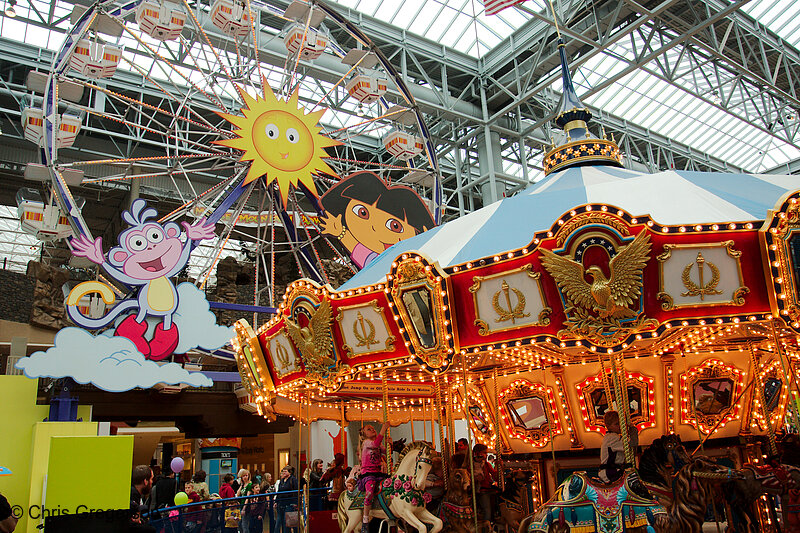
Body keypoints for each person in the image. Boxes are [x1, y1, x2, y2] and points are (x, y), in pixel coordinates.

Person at [319, 171, 436, 269]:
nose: (374, 228)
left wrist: (341, 234)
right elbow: (360, 252)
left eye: (395, 226)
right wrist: (341, 233)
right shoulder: (376, 260)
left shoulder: (413, 260)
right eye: (362, 213)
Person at [358, 423, 389, 533]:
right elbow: (375, 444)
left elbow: (386, 451)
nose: (372, 430)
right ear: (364, 434)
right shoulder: (366, 443)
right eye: (369, 429)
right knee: (370, 491)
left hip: (378, 472)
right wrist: (383, 430)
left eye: (373, 428)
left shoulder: (378, 444)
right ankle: (365, 520)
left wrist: (390, 445)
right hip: (368, 473)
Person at [599, 410, 639, 483]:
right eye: (617, 424)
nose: (620, 426)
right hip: (611, 472)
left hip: (614, 471)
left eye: (621, 423)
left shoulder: (611, 437)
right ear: (608, 426)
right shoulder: (612, 437)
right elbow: (632, 444)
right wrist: (633, 430)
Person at [472, 443, 496, 522]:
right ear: (478, 453)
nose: (486, 455)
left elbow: (494, 475)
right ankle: (487, 523)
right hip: (480, 490)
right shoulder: (472, 465)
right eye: (484, 453)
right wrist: (475, 479)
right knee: (487, 509)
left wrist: (499, 467)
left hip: (487, 488)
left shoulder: (486, 464)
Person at [130, 465, 156, 533]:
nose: (152, 482)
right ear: (145, 481)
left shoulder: (133, 494)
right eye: (151, 479)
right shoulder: (133, 496)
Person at [273, 466, 298, 533]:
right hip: (281, 503)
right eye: (283, 471)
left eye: (285, 471)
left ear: (290, 472)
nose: (283, 472)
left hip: (289, 503)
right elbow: (279, 491)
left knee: (286, 522)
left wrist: (295, 502)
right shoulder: (282, 480)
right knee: (279, 521)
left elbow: (296, 491)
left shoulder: (293, 480)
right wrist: (276, 501)